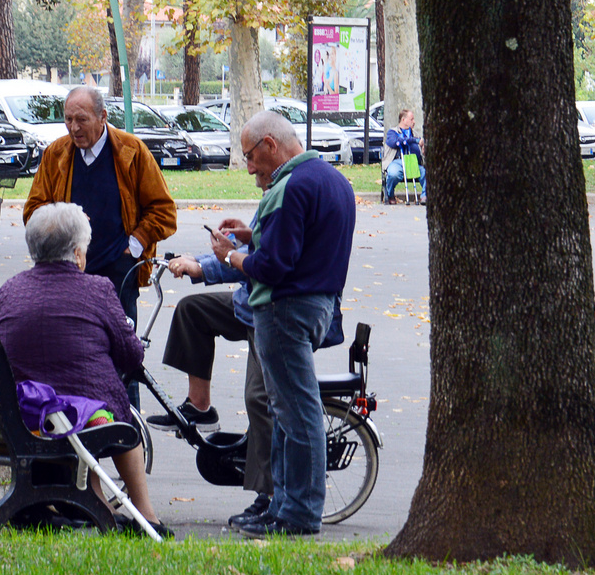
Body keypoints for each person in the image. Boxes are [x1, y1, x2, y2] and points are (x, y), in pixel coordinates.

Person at [206, 110, 355, 538]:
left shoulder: (287, 187)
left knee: (296, 415)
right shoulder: (332, 180)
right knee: (289, 412)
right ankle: (282, 506)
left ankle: (299, 513)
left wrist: (231, 257)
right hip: (318, 304)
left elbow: (272, 267)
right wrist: (252, 236)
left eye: (251, 156)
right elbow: (304, 242)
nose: (250, 167)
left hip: (284, 309)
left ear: (271, 144)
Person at [0, 202, 168, 538]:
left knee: (93, 410)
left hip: (23, 417)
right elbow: (132, 357)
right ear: (77, 253)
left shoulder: (11, 290)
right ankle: (147, 516)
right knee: (120, 420)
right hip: (81, 419)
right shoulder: (98, 289)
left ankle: (86, 502)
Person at [149, 244, 279, 531]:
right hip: (249, 304)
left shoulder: (283, 199)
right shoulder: (273, 198)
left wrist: (203, 267)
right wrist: (196, 257)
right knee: (191, 310)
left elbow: (256, 258)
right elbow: (250, 243)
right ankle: (200, 407)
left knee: (258, 398)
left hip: (268, 311)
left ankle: (270, 496)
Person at [22, 85, 177, 325]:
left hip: (118, 272)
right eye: (69, 119)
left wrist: (133, 247)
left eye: (82, 119)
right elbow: (33, 210)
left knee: (120, 352)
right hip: (66, 271)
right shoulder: (56, 154)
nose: (74, 128)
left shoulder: (132, 152)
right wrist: (63, 220)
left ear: (103, 117)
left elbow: (163, 210)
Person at [382, 107, 426, 203]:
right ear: (403, 120)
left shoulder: (415, 134)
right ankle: (390, 194)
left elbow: (418, 152)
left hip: (412, 162)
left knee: (425, 173)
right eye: (411, 119)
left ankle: (424, 196)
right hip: (397, 161)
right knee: (393, 174)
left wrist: (422, 150)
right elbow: (397, 142)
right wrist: (415, 141)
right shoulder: (392, 132)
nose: (413, 122)